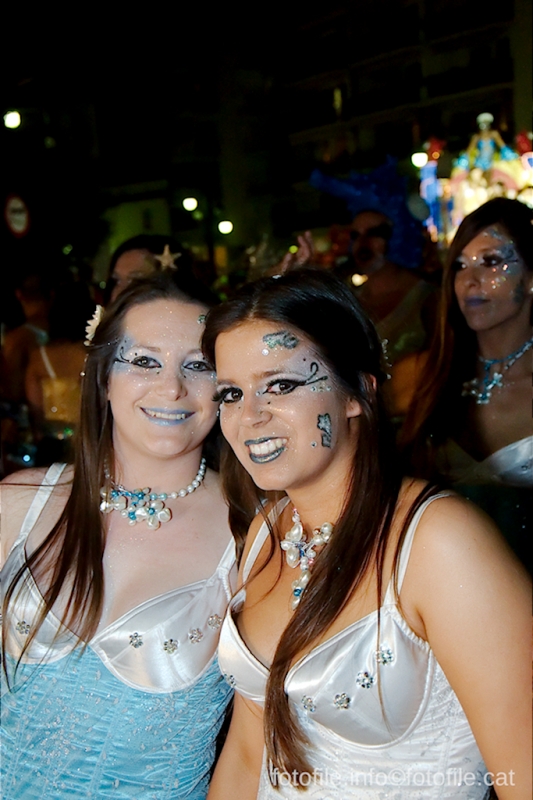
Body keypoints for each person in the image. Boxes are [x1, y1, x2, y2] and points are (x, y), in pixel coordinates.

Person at [201, 268, 530, 799]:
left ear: (358, 392)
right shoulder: (266, 530)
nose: (250, 417)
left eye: (280, 385)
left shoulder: (439, 543)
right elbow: (246, 753)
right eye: (231, 393)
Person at [0, 272, 236, 799]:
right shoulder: (17, 503)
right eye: (145, 361)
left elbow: (256, 746)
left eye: (197, 365)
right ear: (104, 377)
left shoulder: (254, 537)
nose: (172, 388)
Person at [396, 198, 532, 568]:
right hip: (437, 589)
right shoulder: (424, 373)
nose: (469, 281)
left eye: (491, 262)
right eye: (459, 265)